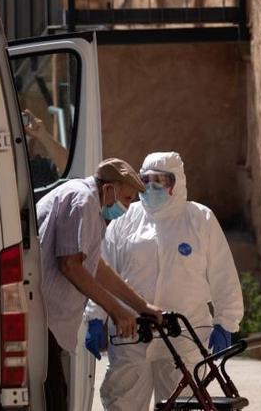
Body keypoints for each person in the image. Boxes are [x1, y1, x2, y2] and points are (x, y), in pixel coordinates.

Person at [84, 151, 244, 411]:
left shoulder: (199, 219)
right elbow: (104, 269)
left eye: (161, 180)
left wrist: (226, 322)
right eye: (146, 180)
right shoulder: (126, 219)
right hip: (132, 334)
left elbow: (223, 274)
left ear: (176, 182)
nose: (152, 187)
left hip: (184, 335)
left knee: (181, 404)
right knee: (122, 402)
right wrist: (95, 316)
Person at [37, 157, 163, 411]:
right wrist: (116, 311)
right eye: (126, 199)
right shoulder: (83, 201)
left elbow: (97, 269)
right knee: (53, 399)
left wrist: (142, 306)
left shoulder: (88, 202)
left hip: (49, 322)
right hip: (43, 320)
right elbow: (71, 265)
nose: (126, 208)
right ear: (109, 189)